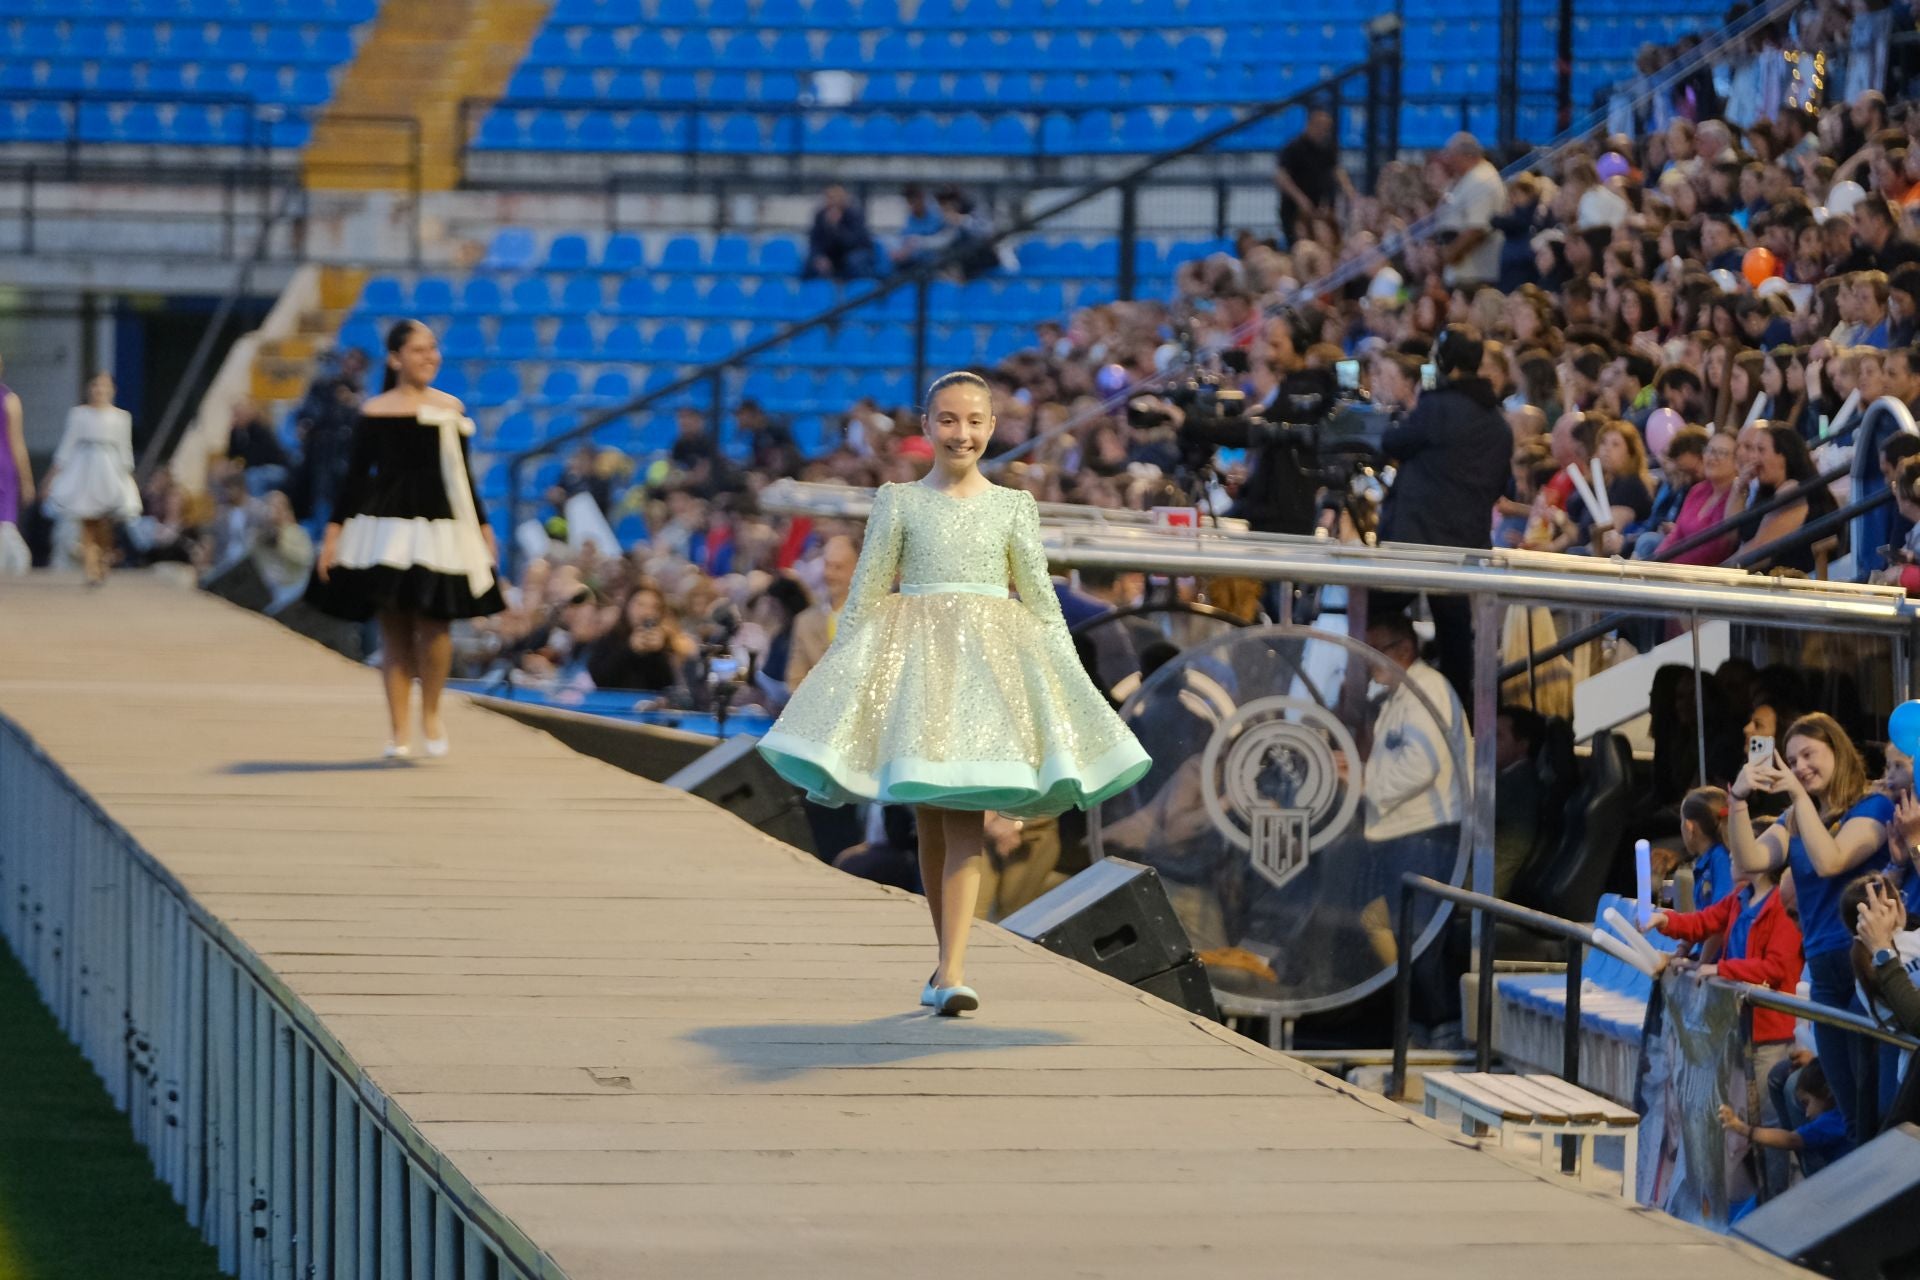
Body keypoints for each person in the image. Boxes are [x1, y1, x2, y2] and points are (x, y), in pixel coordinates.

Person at [756, 371, 1152, 1016]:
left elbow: (1043, 603)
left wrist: (1067, 687)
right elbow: (865, 595)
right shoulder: (898, 502)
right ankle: (945, 965)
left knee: (962, 819)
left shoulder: (1013, 507)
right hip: (918, 675)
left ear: (992, 428)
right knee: (933, 824)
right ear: (926, 425)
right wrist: (838, 688)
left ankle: (952, 969)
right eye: (947, 419)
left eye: (973, 420)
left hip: (986, 681)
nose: (961, 432)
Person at [307, 320, 504, 759]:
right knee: (394, 631)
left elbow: (462, 480)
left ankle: (431, 712)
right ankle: (399, 730)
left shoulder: (449, 408)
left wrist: (484, 529)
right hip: (387, 528)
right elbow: (356, 480)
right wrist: (334, 535)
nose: (429, 357)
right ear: (396, 358)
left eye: (432, 348)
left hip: (441, 527)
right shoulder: (375, 411)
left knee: (435, 626)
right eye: (418, 350)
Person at [1728, 712, 1894, 1142]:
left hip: (1865, 964)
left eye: (1808, 755)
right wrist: (1739, 801)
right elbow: (1749, 861)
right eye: (1791, 759)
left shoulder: (1872, 805)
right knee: (1848, 1106)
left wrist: (1799, 798)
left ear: (1836, 751)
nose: (1799, 767)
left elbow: (1831, 861)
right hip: (1822, 968)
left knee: (1873, 1100)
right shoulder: (1794, 817)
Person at [1373, 323, 1513, 703]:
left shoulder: (1438, 407)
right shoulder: (1499, 425)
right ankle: (1462, 718)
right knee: (1456, 638)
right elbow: (1502, 486)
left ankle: (1369, 694)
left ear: (1444, 362)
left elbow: (1393, 442)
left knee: (1371, 611)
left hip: (1415, 543)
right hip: (1464, 547)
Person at [44, 372, 140, 587]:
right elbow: (66, 447)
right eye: (96, 385)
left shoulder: (121, 417)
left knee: (104, 522)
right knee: (86, 519)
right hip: (84, 470)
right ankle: (91, 566)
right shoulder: (79, 414)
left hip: (109, 470)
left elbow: (125, 449)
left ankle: (103, 557)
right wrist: (52, 476)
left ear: (112, 390)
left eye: (104, 386)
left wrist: (128, 479)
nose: (99, 390)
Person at [1718, 1059, 1854, 1180]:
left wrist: (1743, 1129)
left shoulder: (1830, 1121)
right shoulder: (1844, 1114)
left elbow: (1791, 1139)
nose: (1806, 1114)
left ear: (1828, 1092)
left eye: (1807, 1103)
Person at [1654, 430, 1744, 565]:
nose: (1713, 457)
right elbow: (1676, 535)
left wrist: (1671, 566)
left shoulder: (1736, 499)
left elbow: (1714, 550)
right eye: (1710, 450)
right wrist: (1654, 562)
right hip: (1673, 567)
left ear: (1737, 463)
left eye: (1722, 453)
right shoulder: (1697, 490)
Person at [1433, 133, 1507, 291]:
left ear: (1465, 155)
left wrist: (1449, 255)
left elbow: (1477, 228)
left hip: (1474, 276)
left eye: (1451, 155)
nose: (1448, 161)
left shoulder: (1482, 180)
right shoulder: (1466, 178)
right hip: (1460, 274)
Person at [786, 532, 855, 691]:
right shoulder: (805, 621)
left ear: (857, 569)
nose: (829, 574)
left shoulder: (876, 620)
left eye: (838, 567)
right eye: (827, 565)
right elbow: (795, 681)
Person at [1274, 107, 1350, 248]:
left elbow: (1336, 170)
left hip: (1322, 206)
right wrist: (1301, 199)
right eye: (1319, 126)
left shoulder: (1328, 147)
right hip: (1295, 209)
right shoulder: (1294, 148)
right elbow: (1281, 176)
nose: (1323, 131)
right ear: (1310, 124)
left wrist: (1349, 192)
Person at [804, 184, 877, 280]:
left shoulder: (855, 214)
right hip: (832, 255)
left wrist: (836, 227)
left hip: (854, 252)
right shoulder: (821, 216)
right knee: (811, 263)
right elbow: (815, 241)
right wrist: (819, 257)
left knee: (854, 261)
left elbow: (853, 242)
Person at [0, 357, 29, 571]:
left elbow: (16, 442)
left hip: (4, 470)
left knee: (5, 526)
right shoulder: (10, 399)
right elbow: (18, 443)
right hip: (5, 468)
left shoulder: (9, 399)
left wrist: (26, 481)